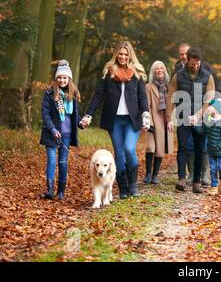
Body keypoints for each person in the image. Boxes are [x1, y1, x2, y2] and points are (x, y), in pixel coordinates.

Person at [80, 41, 151, 199]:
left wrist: (145, 113)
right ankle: (123, 187)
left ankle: (133, 184)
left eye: (126, 54)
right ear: (116, 54)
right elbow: (98, 95)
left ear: (130, 55)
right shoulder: (109, 73)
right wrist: (88, 114)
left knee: (129, 149)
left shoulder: (137, 74)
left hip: (132, 119)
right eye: (120, 54)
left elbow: (142, 97)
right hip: (115, 120)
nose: (123, 57)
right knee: (119, 154)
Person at [167, 47, 216, 193]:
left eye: (198, 63)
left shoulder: (208, 77)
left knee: (199, 149)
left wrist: (199, 115)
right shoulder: (178, 76)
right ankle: (182, 179)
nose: (195, 66)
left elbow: (209, 99)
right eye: (193, 63)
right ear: (187, 60)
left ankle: (196, 183)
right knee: (182, 147)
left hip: (200, 118)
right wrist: (169, 118)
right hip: (182, 117)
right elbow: (170, 97)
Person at [40, 60, 83, 200]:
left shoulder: (73, 95)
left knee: (63, 162)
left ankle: (61, 191)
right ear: (56, 78)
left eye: (65, 77)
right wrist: (52, 129)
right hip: (51, 133)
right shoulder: (50, 93)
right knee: (51, 160)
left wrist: (82, 123)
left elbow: (75, 116)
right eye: (59, 77)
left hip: (66, 134)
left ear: (69, 78)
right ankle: (50, 190)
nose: (62, 80)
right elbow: (45, 114)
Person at [144, 61, 174, 184]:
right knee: (151, 147)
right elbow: (147, 106)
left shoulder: (169, 87)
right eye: (157, 69)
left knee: (160, 148)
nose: (159, 70)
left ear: (165, 70)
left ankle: (155, 175)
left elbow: (171, 105)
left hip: (164, 119)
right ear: (153, 71)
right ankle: (148, 174)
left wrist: (170, 120)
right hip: (152, 118)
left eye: (162, 68)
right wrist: (149, 122)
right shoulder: (148, 87)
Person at [204, 96, 221, 195]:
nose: (209, 108)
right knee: (213, 169)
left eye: (212, 106)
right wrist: (194, 125)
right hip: (211, 149)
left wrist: (220, 145)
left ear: (217, 109)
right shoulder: (208, 121)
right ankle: (214, 187)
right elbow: (202, 130)